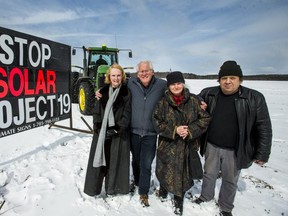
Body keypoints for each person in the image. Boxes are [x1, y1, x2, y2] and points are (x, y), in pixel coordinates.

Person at [194, 60, 273, 216]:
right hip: (212, 145)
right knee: (209, 173)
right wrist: (199, 101)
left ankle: (225, 207)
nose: (228, 81)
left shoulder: (254, 98)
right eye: (224, 78)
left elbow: (263, 127)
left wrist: (262, 153)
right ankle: (205, 197)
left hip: (236, 148)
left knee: (230, 180)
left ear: (240, 80)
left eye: (232, 77)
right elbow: (195, 98)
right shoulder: (209, 93)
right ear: (219, 80)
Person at [95, 60, 167, 206]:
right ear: (137, 73)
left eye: (147, 71)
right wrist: (100, 92)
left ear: (152, 71)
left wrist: (199, 100)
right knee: (135, 160)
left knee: (146, 163)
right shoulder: (131, 84)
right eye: (141, 71)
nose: (144, 74)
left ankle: (144, 192)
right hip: (133, 131)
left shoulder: (161, 85)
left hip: (151, 132)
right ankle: (138, 181)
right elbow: (115, 86)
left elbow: (178, 89)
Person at [152, 71, 211, 215]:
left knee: (183, 173)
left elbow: (205, 119)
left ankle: (179, 199)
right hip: (167, 145)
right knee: (164, 169)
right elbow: (156, 122)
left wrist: (190, 130)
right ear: (168, 86)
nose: (176, 86)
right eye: (173, 84)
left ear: (183, 84)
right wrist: (174, 130)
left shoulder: (194, 101)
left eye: (178, 83)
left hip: (187, 145)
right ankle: (164, 190)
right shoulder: (162, 102)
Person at [83, 63, 131, 196]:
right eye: (113, 75)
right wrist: (97, 126)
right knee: (99, 164)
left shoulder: (127, 93)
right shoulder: (102, 91)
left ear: (122, 76)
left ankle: (112, 189)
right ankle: (94, 189)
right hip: (101, 134)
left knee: (114, 163)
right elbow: (96, 112)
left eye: (118, 75)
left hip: (118, 135)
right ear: (109, 76)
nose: (116, 78)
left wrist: (117, 129)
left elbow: (127, 114)